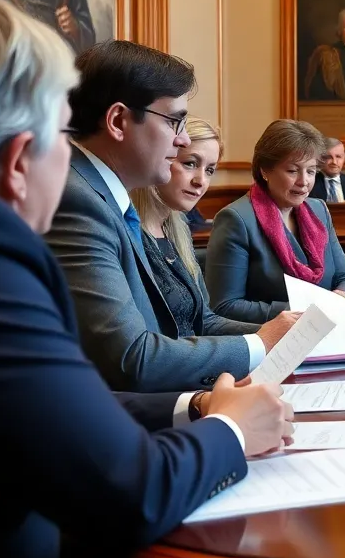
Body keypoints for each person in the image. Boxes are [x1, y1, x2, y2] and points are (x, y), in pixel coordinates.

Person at [0, 0, 292, 558]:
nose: (69, 157)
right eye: (59, 133)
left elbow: (48, 403)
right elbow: (131, 490)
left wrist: (197, 407)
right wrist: (233, 432)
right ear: (20, 158)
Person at [45, 41, 300, 393]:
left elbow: (181, 326)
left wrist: (273, 333)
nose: (182, 141)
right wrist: (261, 343)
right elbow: (132, 358)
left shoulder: (100, 195)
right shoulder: (78, 201)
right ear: (119, 121)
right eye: (174, 122)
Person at [206, 119, 345, 324]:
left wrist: (342, 298)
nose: (304, 181)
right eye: (292, 170)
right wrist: (307, 310)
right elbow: (224, 306)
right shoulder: (237, 219)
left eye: (311, 171)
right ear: (265, 170)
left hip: (326, 332)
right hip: (272, 343)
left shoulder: (319, 210)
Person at [127, 118, 259, 342]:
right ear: (161, 158)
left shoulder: (177, 231)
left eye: (210, 170)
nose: (201, 181)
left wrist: (272, 332)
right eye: (190, 163)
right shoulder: (128, 234)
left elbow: (204, 321)